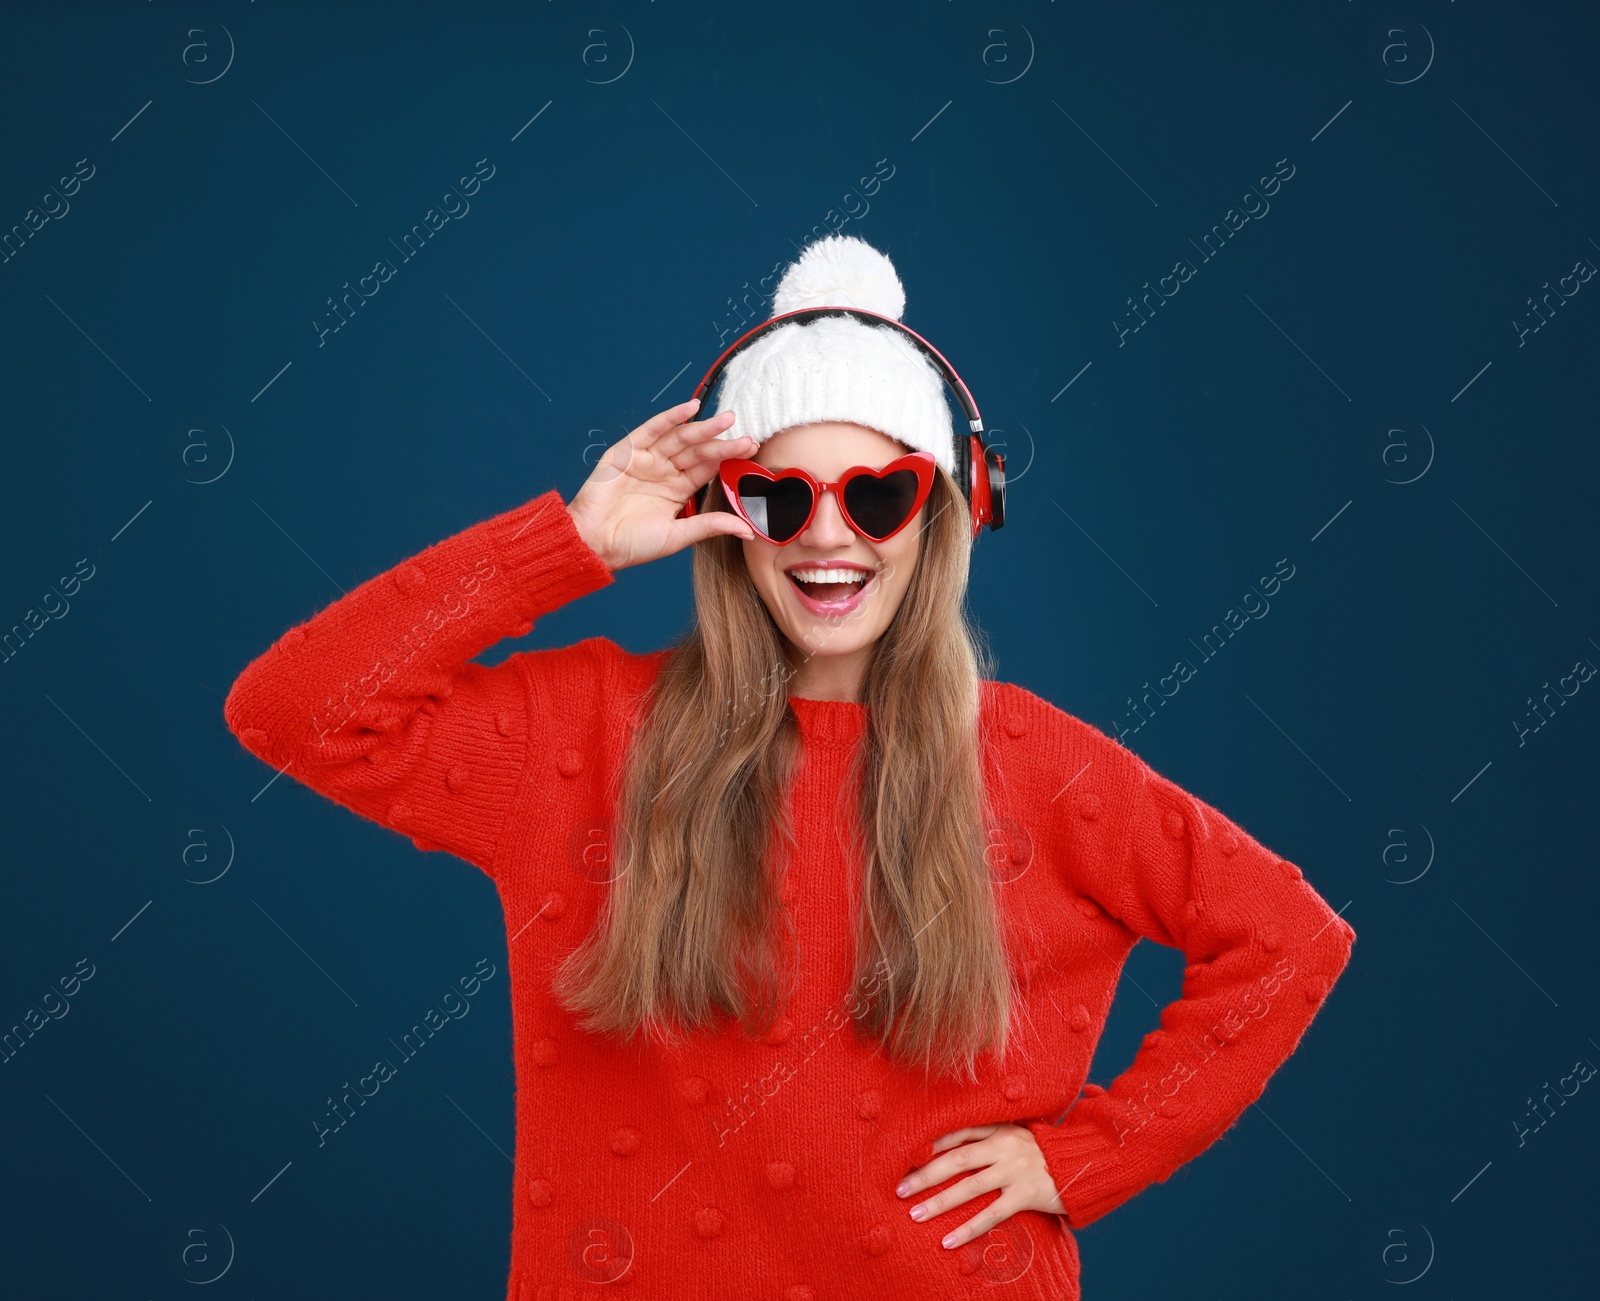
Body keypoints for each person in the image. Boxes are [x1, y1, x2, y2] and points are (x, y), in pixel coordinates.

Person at [224, 235, 1355, 1301]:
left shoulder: (1032, 761)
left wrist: (1091, 1159)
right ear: (725, 513)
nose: (827, 536)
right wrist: (570, 544)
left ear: (947, 512)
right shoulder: (584, 734)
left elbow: (1290, 936)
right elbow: (290, 712)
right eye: (777, 495)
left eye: (877, 494)